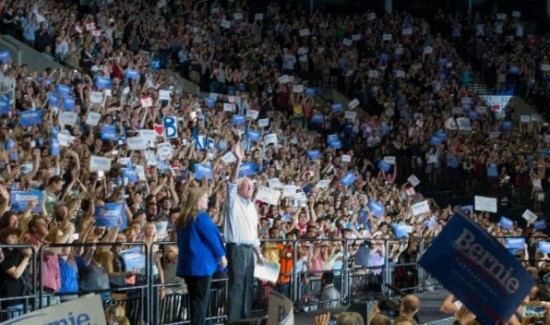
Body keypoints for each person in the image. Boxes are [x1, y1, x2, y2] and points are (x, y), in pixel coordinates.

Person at [225, 141, 266, 321]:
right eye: (248, 185)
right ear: (240, 188)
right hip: (236, 248)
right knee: (237, 286)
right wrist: (239, 161)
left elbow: (253, 235)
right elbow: (231, 183)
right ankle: (234, 321)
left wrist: (259, 254)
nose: (251, 188)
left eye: (252, 186)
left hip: (249, 250)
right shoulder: (233, 202)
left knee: (248, 285)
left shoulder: (251, 207)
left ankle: (245, 319)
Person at [176, 187, 227, 325]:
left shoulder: (183, 218)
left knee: (194, 302)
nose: (208, 200)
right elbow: (212, 238)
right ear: (198, 200)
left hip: (188, 267)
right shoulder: (200, 217)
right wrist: (222, 256)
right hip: (201, 267)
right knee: (200, 304)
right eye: (205, 198)